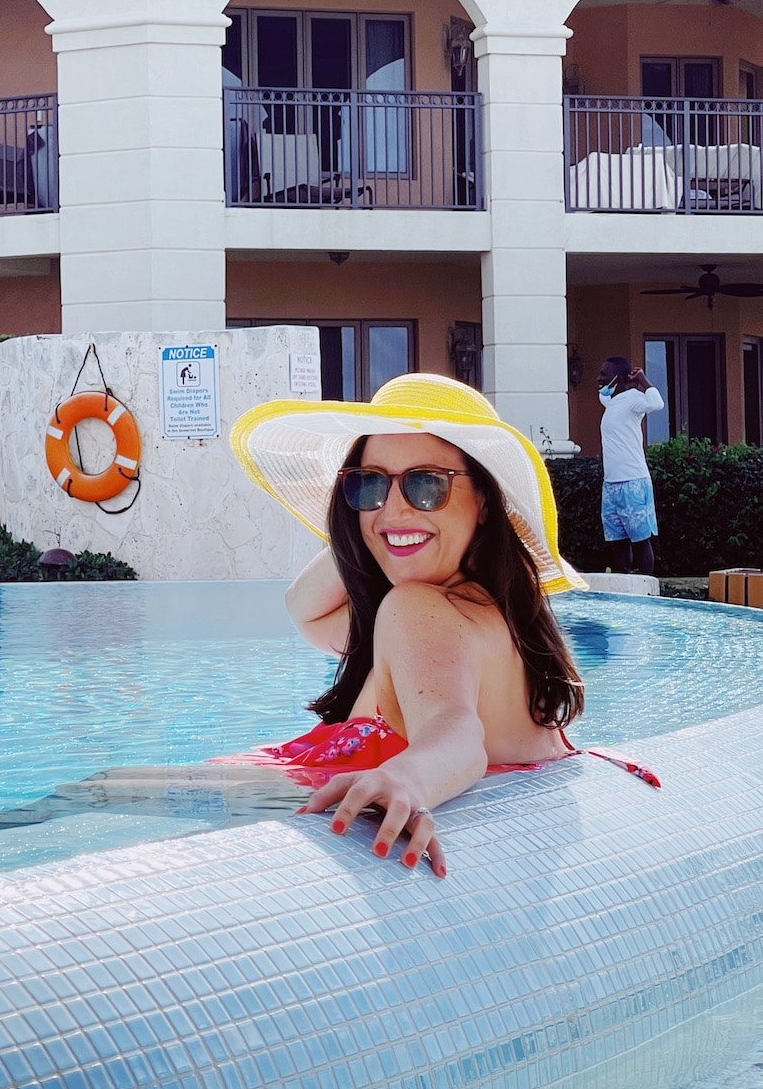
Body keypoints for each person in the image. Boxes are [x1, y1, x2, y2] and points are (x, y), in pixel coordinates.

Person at [230, 374, 657, 877]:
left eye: (427, 484)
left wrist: (407, 780)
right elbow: (305, 610)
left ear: (484, 500)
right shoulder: (491, 617)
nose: (394, 506)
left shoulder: (417, 610)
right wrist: (380, 529)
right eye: (369, 484)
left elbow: (456, 733)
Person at [596, 356, 663, 576]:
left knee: (640, 541)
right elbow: (602, 394)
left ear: (619, 378)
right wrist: (612, 385)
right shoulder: (610, 401)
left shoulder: (634, 398)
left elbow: (657, 403)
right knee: (618, 543)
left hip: (633, 482)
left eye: (604, 374)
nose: (599, 378)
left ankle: (646, 587)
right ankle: (623, 588)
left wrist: (642, 380)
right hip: (611, 485)